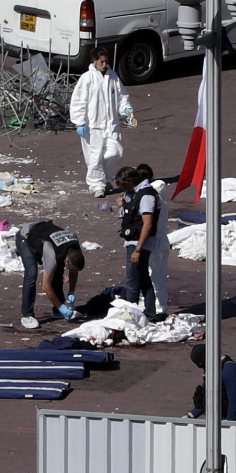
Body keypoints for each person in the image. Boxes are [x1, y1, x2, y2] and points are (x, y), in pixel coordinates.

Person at [69, 47, 134, 198]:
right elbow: (78, 101)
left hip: (111, 125)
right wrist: (79, 122)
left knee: (115, 151)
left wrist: (126, 109)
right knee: (94, 157)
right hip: (92, 126)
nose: (104, 65)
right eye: (102, 62)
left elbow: (121, 97)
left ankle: (104, 178)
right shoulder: (87, 78)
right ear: (94, 61)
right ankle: (97, 185)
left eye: (106, 62)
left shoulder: (113, 77)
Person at [15, 220, 85, 329]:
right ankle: (27, 315)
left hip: (43, 233)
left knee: (58, 272)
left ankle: (57, 311)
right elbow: (46, 287)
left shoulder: (75, 246)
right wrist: (62, 307)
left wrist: (71, 292)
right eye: (68, 267)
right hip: (25, 237)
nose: (68, 269)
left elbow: (73, 271)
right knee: (32, 273)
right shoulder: (52, 253)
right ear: (66, 260)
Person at [116, 165, 159, 321]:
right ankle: (150, 314)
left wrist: (138, 249)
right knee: (142, 278)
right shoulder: (134, 194)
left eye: (123, 185)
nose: (121, 189)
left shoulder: (146, 196)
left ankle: (130, 317)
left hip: (138, 243)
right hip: (135, 241)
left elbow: (147, 224)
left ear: (131, 181)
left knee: (132, 281)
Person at [136, 163, 169, 319]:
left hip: (152, 242)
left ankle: (153, 308)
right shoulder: (161, 193)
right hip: (163, 240)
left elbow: (146, 222)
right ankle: (161, 306)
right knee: (160, 274)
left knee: (149, 275)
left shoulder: (148, 196)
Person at [184, 344, 236, 421]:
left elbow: (234, 401)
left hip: (226, 420)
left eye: (200, 364)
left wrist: (231, 425)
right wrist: (192, 414)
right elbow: (209, 400)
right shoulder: (213, 368)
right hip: (214, 419)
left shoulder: (229, 369)